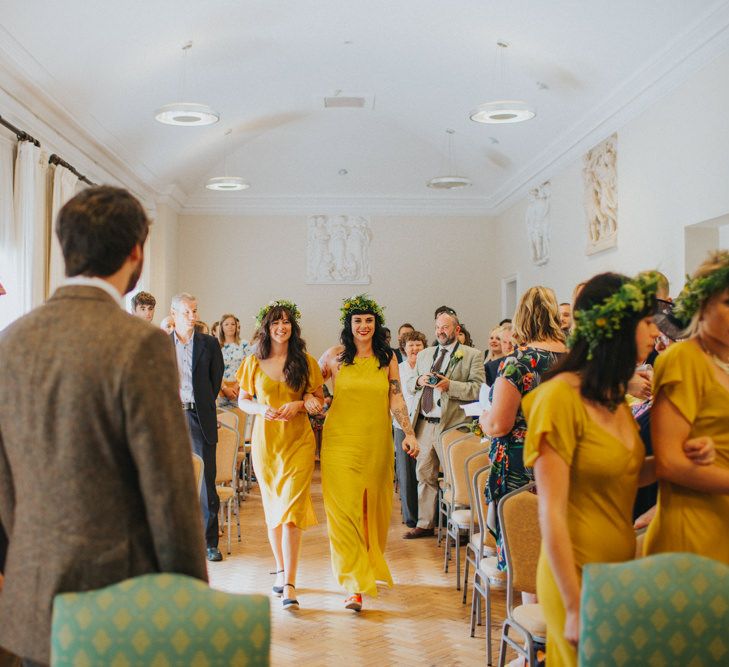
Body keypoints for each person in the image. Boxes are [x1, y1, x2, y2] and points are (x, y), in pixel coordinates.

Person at [0, 187, 207, 666]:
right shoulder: (141, 345)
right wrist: (191, 603)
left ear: (65, 246)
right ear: (136, 252)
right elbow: (170, 492)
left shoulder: (10, 341)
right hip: (118, 598)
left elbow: (5, 483)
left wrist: (37, 549)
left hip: (31, 596)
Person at [522, 272, 713, 666]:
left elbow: (624, 473)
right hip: (573, 574)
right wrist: (574, 604)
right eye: (645, 324)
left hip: (616, 571)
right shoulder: (558, 398)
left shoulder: (612, 399)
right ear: (616, 329)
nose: (654, 334)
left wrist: (674, 459)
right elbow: (550, 512)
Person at [318, 294, 419, 611]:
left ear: (377, 325)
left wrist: (409, 432)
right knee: (343, 511)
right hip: (339, 443)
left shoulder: (387, 358)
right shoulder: (335, 357)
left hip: (376, 442)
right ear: (349, 325)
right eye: (358, 320)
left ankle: (367, 565)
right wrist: (314, 401)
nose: (363, 326)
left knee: (372, 511)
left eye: (369, 320)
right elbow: (309, 384)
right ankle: (353, 584)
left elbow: (397, 399)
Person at [237, 300, 323, 610]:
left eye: (286, 322)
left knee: (290, 512)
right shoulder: (252, 362)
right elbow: (244, 401)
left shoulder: (306, 361)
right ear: (267, 327)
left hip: (298, 442)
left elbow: (318, 399)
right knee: (274, 512)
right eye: (276, 322)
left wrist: (301, 404)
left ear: (293, 327)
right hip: (266, 443)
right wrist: (261, 408)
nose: (281, 327)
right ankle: (281, 568)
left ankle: (290, 583)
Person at [645, 251, 729, 563]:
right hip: (694, 531)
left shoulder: (720, 365)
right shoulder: (683, 359)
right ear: (702, 306)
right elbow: (669, 463)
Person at [479, 286, 567, 569]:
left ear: (522, 318)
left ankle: (526, 608)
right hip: (564, 456)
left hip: (523, 462)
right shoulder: (575, 358)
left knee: (526, 548)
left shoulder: (519, 362)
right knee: (559, 542)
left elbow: (498, 424)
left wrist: (483, 418)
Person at [405, 309, 484, 539]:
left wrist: (451, 385)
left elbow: (478, 389)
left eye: (445, 327)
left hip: (453, 424)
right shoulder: (425, 354)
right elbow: (410, 384)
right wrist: (418, 381)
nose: (440, 331)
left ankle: (459, 528)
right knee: (425, 473)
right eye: (438, 327)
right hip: (425, 424)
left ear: (457, 330)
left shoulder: (472, 355)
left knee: (454, 477)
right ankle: (425, 523)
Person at [170, 293, 225, 562]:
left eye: (195, 311)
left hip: (198, 416)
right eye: (187, 312)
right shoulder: (160, 344)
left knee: (206, 482)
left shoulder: (209, 343)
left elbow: (216, 380)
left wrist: (201, 403)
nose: (193, 316)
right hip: (169, 418)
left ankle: (209, 543)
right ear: (174, 315)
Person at [395, 330, 427, 528]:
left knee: (424, 471)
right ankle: (411, 517)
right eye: (411, 345)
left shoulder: (429, 367)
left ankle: (428, 516)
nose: (415, 348)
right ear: (404, 349)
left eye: (418, 345)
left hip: (424, 422)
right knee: (406, 472)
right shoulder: (398, 369)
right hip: (403, 424)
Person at [218, 314, 249, 410]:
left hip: (240, 389)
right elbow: (213, 369)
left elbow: (248, 367)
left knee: (241, 421)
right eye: (226, 324)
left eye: (233, 324)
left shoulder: (244, 344)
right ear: (221, 327)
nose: (230, 327)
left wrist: (237, 386)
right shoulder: (216, 345)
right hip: (221, 388)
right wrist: (224, 388)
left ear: (237, 326)